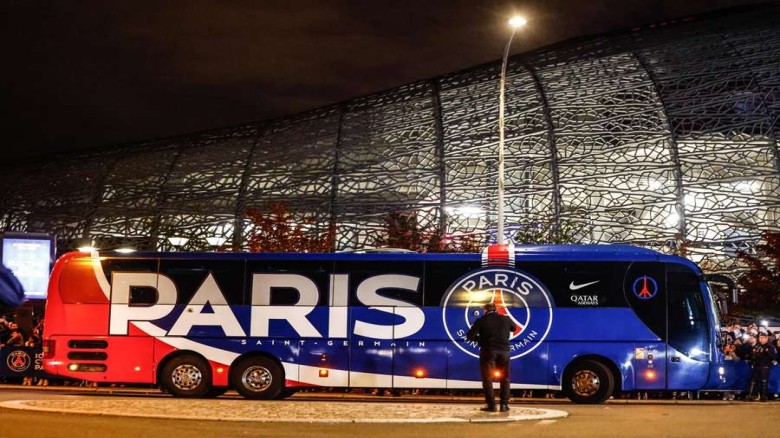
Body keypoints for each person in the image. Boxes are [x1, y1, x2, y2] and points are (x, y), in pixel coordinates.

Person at [466, 302, 517, 412]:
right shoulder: (506, 319)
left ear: (485, 310)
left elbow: (469, 336)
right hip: (504, 351)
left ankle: (491, 405)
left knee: (487, 378)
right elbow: (514, 328)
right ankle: (504, 405)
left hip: (488, 351)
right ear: (496, 310)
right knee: (505, 378)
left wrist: (481, 340)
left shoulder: (481, 320)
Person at [749, 332, 777, 402]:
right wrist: (753, 357)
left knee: (764, 381)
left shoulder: (770, 346)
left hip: (765, 366)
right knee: (753, 381)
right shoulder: (757, 346)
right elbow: (752, 355)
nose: (761, 339)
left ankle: (764, 396)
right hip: (756, 365)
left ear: (766, 338)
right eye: (760, 338)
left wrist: (767, 351)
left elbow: (774, 357)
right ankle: (750, 395)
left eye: (762, 338)